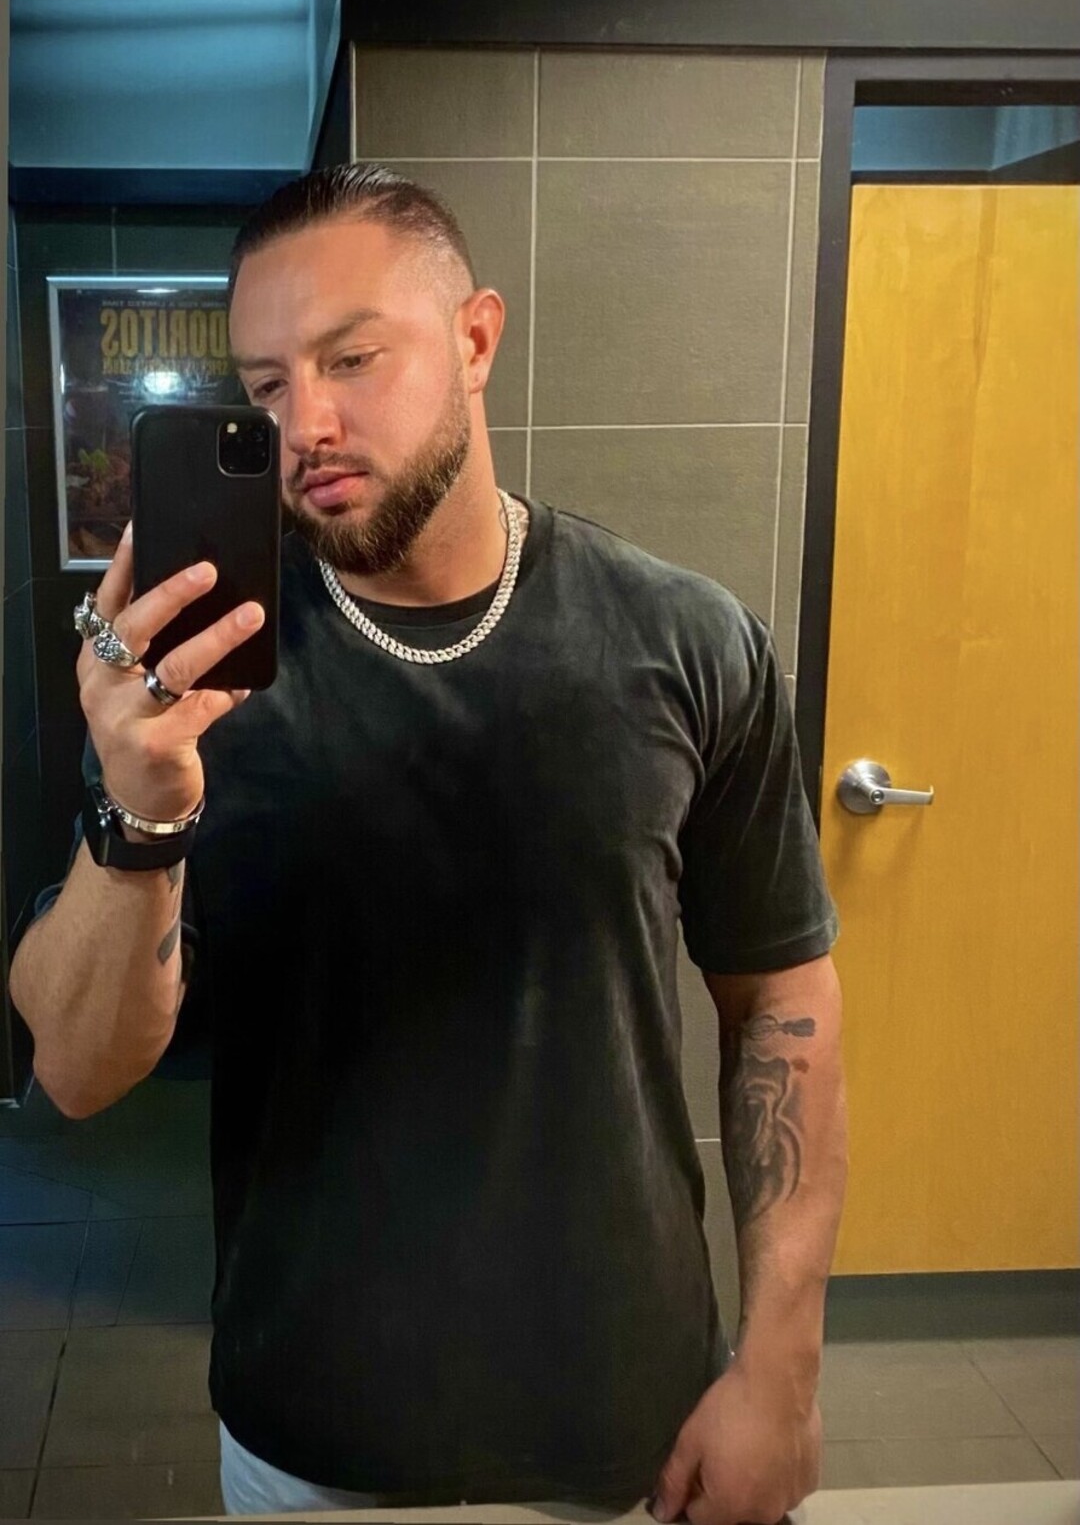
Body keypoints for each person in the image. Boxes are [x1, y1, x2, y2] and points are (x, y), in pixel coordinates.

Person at [11, 164, 847, 1525]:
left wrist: (784, 1370)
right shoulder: (200, 681)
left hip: (629, 1421)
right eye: (267, 385)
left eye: (353, 358)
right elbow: (76, 1071)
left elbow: (784, 1004)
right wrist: (143, 808)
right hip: (312, 1431)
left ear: (474, 339)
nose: (307, 423)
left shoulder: (688, 642)